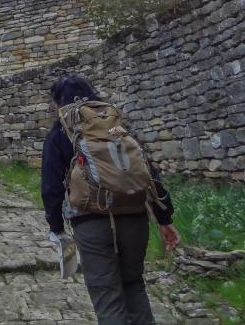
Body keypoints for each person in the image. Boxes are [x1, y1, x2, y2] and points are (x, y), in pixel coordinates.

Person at [41, 75, 181, 325]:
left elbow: (51, 186)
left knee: (107, 294)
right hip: (134, 216)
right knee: (134, 285)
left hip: (90, 221)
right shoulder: (116, 125)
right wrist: (164, 219)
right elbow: (148, 173)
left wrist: (56, 228)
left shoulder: (60, 131)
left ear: (57, 102)